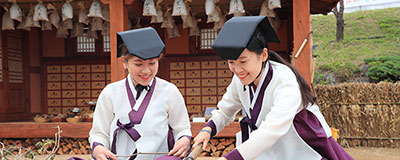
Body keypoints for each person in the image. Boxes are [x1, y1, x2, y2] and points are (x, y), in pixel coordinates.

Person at [192, 16, 353, 160]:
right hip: (271, 144)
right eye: (231, 62)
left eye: (243, 61)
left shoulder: (285, 81)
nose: (237, 69)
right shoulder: (240, 79)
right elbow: (225, 111)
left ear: (263, 55)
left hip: (303, 142)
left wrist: (230, 158)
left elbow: (271, 130)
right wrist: (207, 130)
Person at [89, 27, 192, 160]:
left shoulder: (169, 91)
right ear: (125, 63)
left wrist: (184, 140)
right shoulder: (110, 92)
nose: (146, 71)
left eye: (152, 63)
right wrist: (98, 148)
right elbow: (99, 133)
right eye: (138, 64)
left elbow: (182, 129)